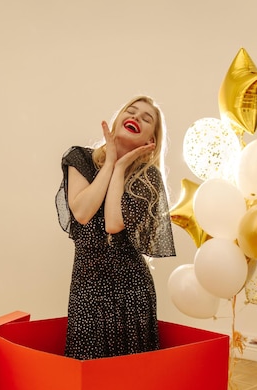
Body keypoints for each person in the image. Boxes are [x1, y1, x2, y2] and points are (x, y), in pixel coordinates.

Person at [55, 95, 176, 360]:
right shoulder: (80, 159)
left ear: (150, 141)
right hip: (87, 286)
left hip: (130, 290)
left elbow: (112, 224)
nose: (136, 117)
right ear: (119, 118)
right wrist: (110, 162)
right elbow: (83, 212)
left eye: (147, 119)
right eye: (131, 111)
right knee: (87, 373)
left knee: (129, 379)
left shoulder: (149, 177)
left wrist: (120, 166)